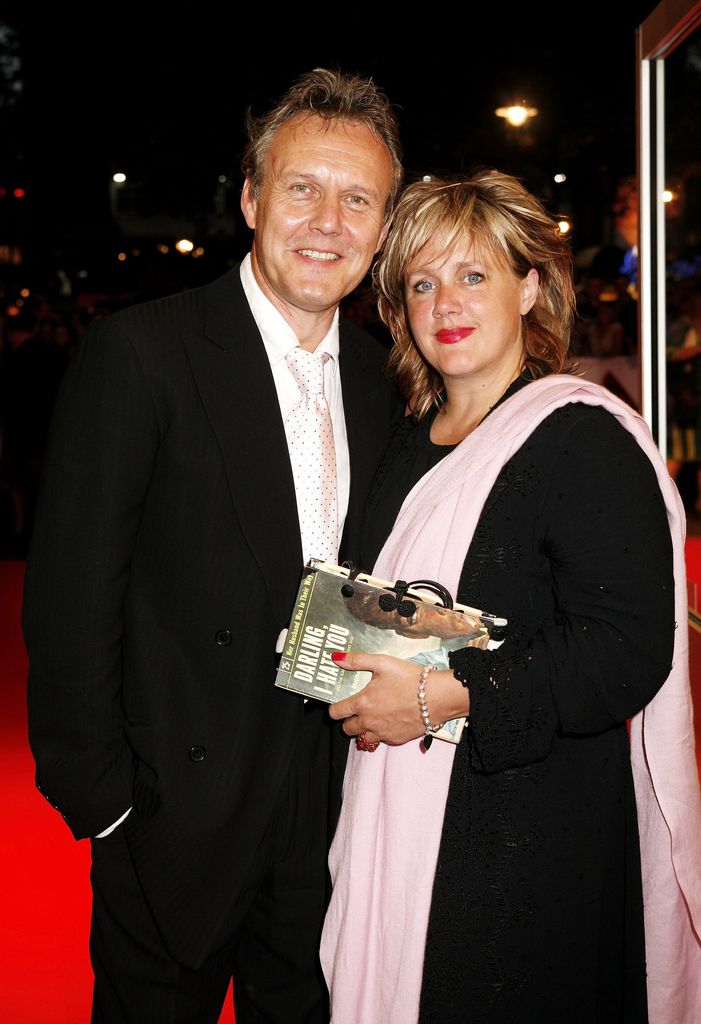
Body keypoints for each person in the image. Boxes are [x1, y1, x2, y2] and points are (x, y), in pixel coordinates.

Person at [22, 67, 403, 1024]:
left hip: (331, 817)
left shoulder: (386, 378)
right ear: (249, 198)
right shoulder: (142, 353)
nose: (326, 221)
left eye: (356, 198)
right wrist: (105, 804)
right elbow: (70, 599)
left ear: (383, 223)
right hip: (172, 817)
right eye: (301, 188)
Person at [319, 171, 701, 1023]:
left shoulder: (581, 438)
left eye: (473, 274)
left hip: (525, 846)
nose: (444, 302)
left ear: (530, 286)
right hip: (394, 819)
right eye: (421, 281)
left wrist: (433, 697)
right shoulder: (407, 444)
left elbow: (624, 648)